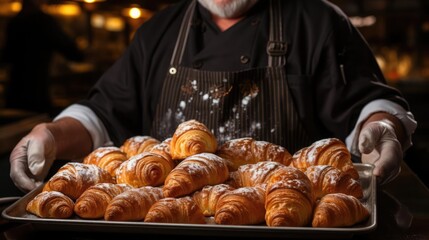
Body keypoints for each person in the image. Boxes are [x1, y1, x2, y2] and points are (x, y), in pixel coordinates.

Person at [9, 0, 417, 193]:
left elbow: (368, 107)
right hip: (171, 222)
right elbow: (101, 114)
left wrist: (382, 127)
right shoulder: (160, 32)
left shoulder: (318, 22)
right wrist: (51, 134)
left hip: (287, 224)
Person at [1, 0, 84, 115]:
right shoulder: (44, 21)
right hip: (38, 93)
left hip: (15, 94)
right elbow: (74, 53)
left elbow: (6, 56)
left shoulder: (14, 22)